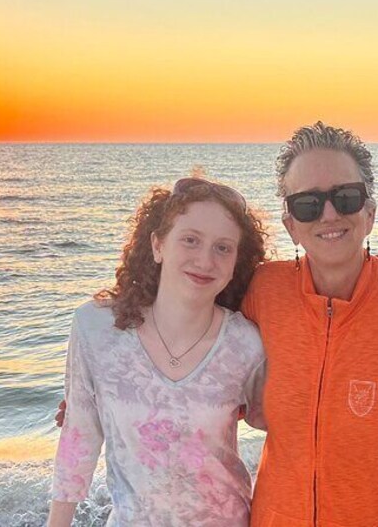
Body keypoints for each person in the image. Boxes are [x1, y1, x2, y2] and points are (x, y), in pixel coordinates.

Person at [241, 121, 378, 526]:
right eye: (307, 204)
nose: (329, 214)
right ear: (290, 226)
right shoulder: (261, 291)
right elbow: (182, 308)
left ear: (370, 213)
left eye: (346, 197)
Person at [48, 178, 269, 526]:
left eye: (223, 248)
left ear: (235, 263)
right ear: (158, 245)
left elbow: (282, 424)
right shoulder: (96, 329)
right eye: (190, 239)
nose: (205, 260)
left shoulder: (246, 343)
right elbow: (79, 436)